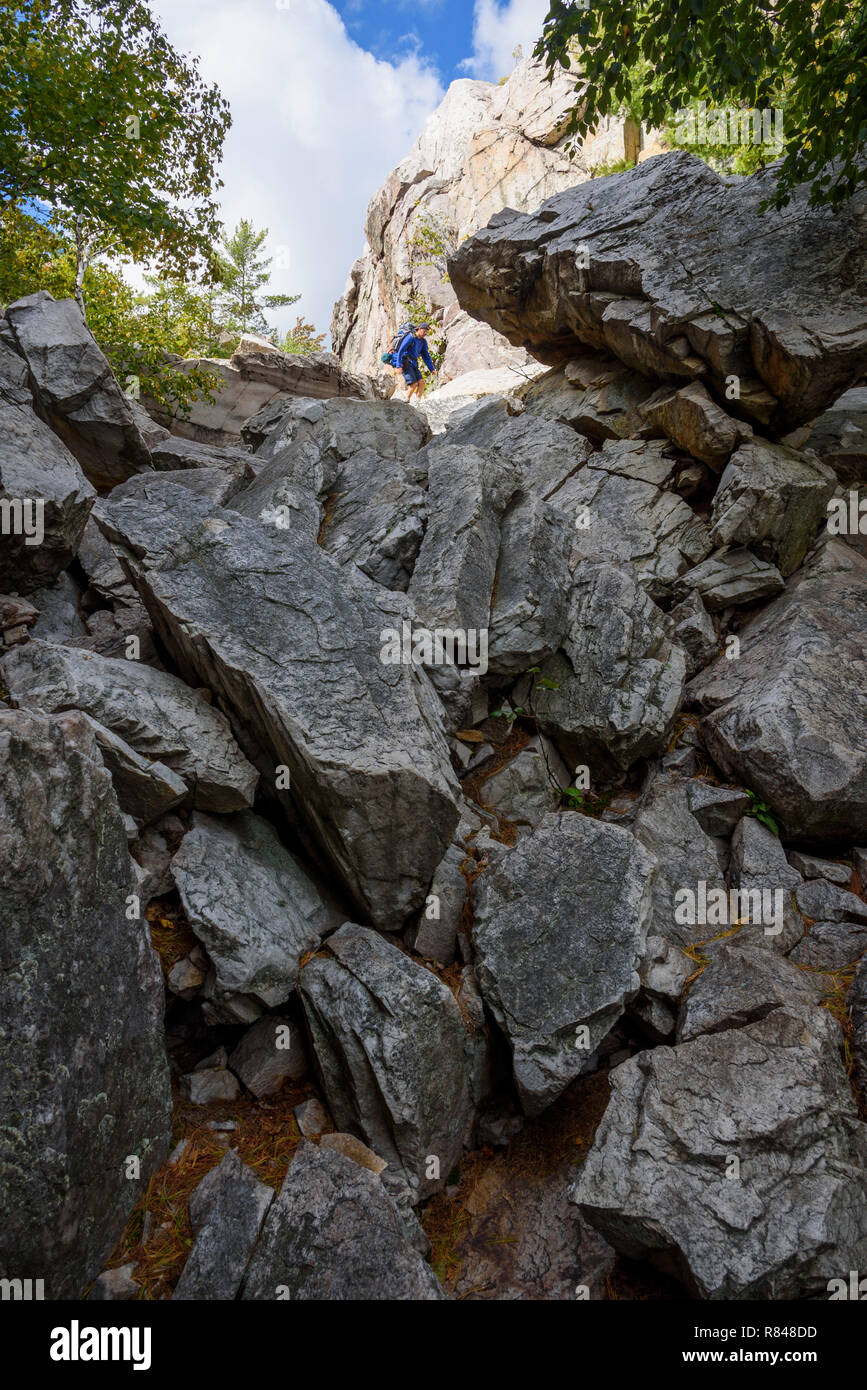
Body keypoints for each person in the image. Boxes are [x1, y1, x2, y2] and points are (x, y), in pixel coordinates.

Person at [395, 323, 436, 401]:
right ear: (419, 329)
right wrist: (398, 365)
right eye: (424, 331)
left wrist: (432, 369)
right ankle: (405, 401)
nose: (425, 334)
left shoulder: (423, 342)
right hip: (406, 362)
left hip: (414, 363)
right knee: (413, 384)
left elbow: (426, 356)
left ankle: (417, 402)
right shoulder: (411, 337)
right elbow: (400, 351)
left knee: (422, 382)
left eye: (427, 332)